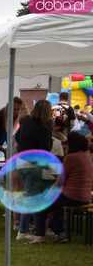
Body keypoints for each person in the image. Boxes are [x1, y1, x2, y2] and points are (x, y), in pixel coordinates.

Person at [31, 132, 93, 243]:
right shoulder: (86, 156)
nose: (66, 146)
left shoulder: (71, 158)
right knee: (57, 206)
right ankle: (60, 233)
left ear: (72, 144)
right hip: (85, 196)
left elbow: (60, 181)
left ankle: (39, 236)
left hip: (72, 196)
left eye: (67, 144)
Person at [15, 100, 53, 242]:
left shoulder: (25, 122)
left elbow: (17, 137)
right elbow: (46, 147)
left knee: (29, 195)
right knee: (34, 198)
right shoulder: (44, 127)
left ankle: (29, 228)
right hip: (35, 164)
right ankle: (25, 230)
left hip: (22, 161)